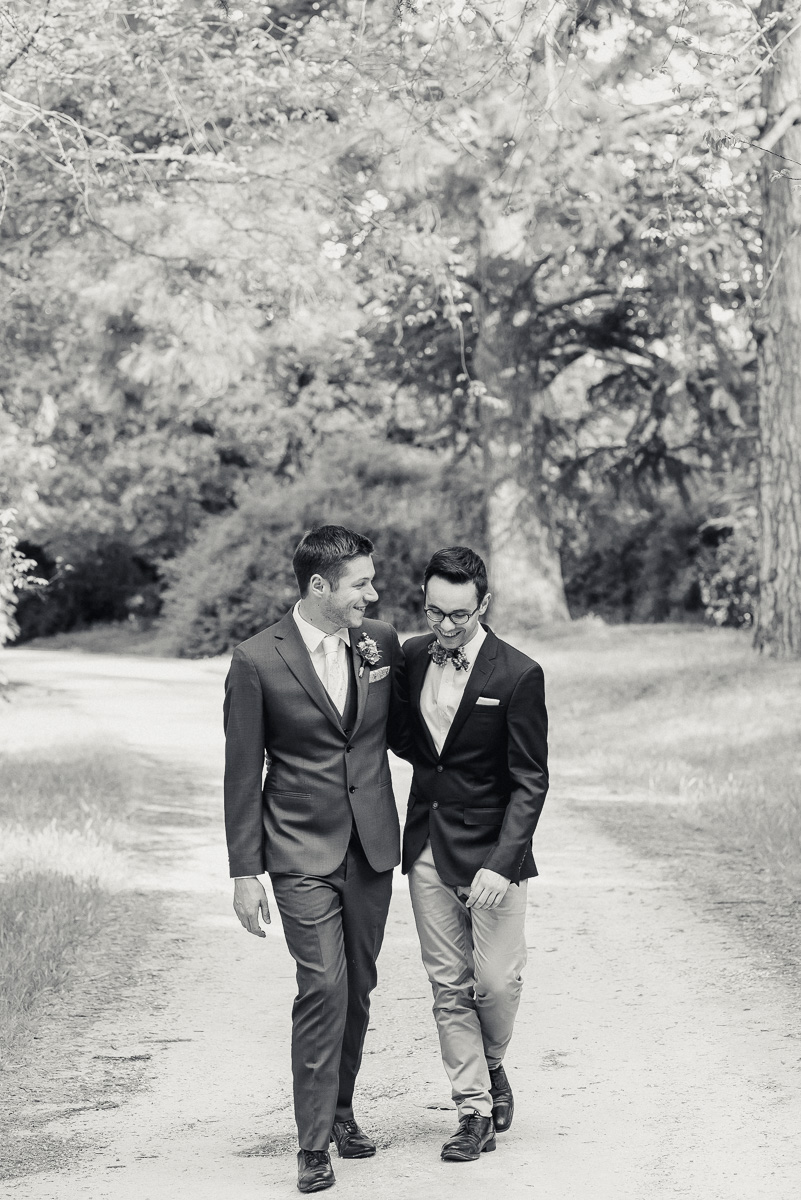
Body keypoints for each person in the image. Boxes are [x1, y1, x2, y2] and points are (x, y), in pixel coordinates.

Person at [223, 525, 408, 1194]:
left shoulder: (379, 642)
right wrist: (245, 872)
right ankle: (310, 1145)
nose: (374, 592)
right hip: (298, 847)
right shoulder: (255, 660)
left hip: (372, 843)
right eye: (361, 582)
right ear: (320, 586)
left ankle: (341, 1110)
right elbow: (242, 771)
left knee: (357, 984)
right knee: (322, 985)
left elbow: (410, 729)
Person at [401, 546, 548, 1162]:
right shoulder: (409, 657)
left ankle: (491, 1065)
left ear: (483, 605)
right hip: (428, 846)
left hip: (493, 853)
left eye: (460, 615)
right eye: (435, 613)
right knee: (448, 986)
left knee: (496, 983)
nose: (446, 627)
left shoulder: (517, 674)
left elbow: (531, 780)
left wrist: (502, 860)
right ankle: (472, 1112)